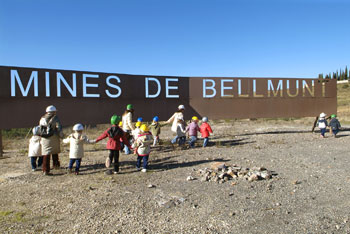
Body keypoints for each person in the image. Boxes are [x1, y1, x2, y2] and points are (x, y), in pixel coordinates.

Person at [39, 105, 63, 175]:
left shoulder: (42, 118)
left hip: (44, 138)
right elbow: (58, 127)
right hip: (53, 136)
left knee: (46, 153)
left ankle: (45, 170)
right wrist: (61, 136)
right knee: (54, 151)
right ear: (53, 111)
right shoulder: (55, 118)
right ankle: (56, 165)